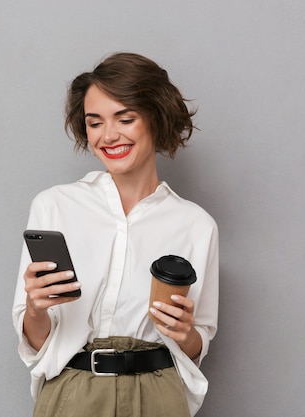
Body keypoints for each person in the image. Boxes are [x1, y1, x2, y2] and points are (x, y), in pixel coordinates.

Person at [12, 52, 219, 417]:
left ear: (155, 119)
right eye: (95, 123)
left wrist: (186, 332)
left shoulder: (196, 225)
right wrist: (34, 307)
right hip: (73, 391)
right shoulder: (54, 206)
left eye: (126, 118)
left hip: (158, 393)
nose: (109, 135)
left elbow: (198, 343)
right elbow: (36, 342)